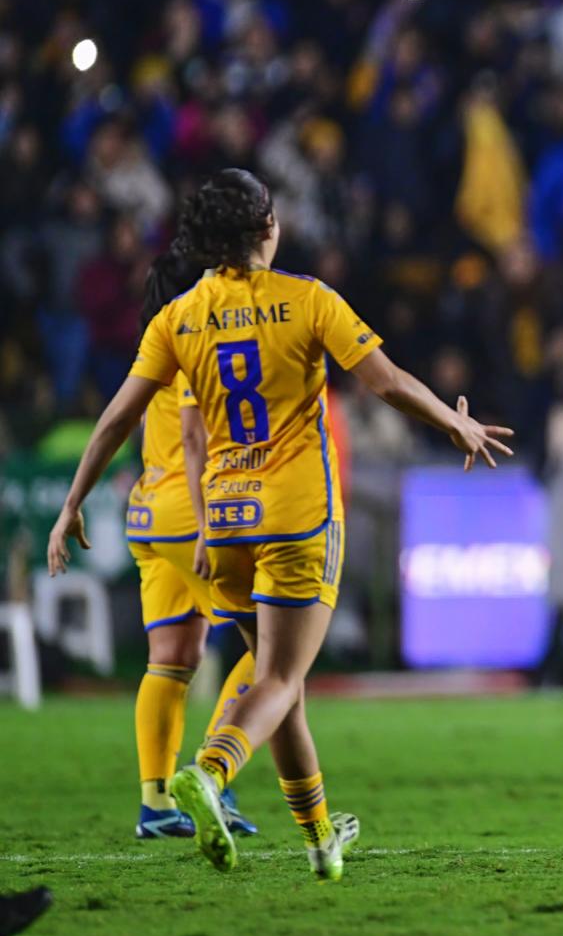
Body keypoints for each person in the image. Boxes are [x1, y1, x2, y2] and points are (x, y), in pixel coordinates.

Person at [48, 169, 514, 880]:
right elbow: (386, 381)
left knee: (276, 682)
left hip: (226, 522)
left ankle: (322, 839)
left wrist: (72, 501)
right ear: (268, 225)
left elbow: (117, 416)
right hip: (296, 518)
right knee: (281, 678)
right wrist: (455, 422)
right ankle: (210, 770)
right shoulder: (307, 299)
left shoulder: (178, 316)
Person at [101, 242, 262, 840]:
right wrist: (207, 521)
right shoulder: (200, 337)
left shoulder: (155, 342)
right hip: (193, 514)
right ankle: (216, 775)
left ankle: (156, 804)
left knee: (170, 660)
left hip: (148, 514)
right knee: (274, 649)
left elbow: (123, 421)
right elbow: (198, 439)